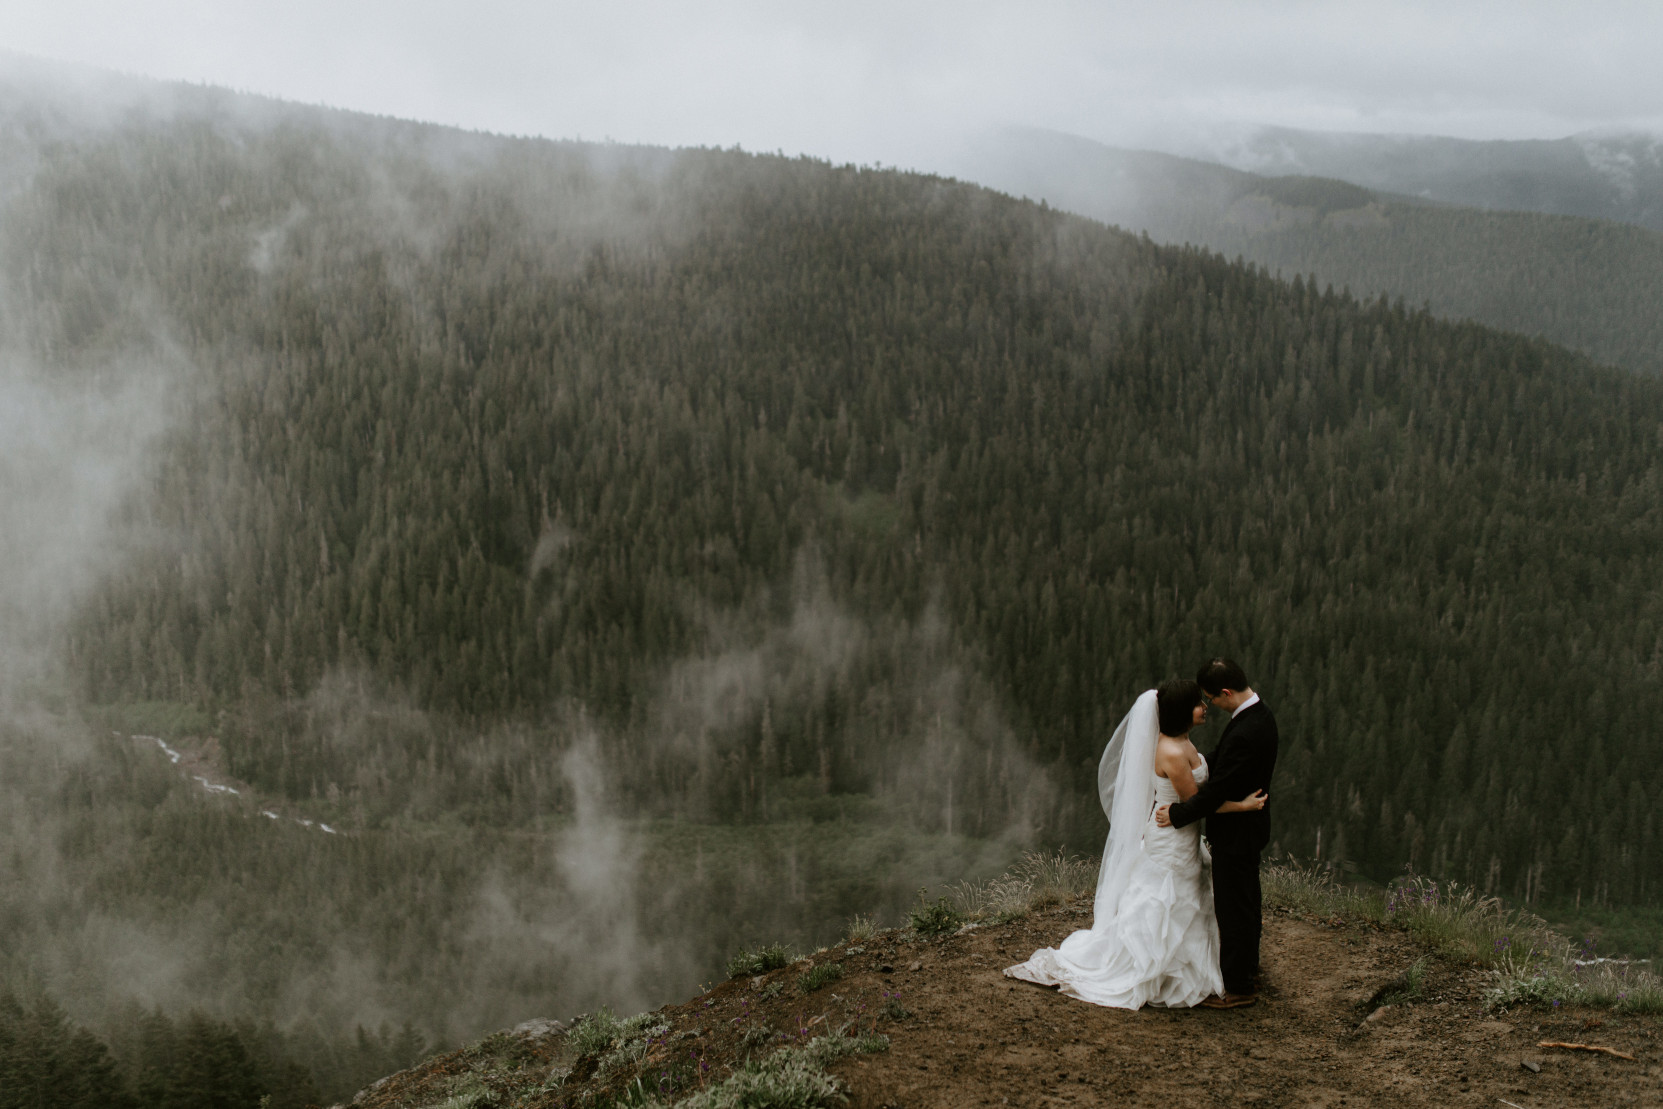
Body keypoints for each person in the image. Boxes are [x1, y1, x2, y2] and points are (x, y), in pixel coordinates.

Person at [1004, 680, 1267, 1009]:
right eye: (1198, 704)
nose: (1204, 708)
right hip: (1172, 840)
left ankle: (1194, 966)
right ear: (1182, 712)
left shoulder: (1181, 741)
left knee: (1187, 899)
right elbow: (1195, 803)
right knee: (1167, 901)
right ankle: (1161, 969)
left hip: (1182, 837)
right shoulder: (1171, 751)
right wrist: (1241, 806)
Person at [1155, 658, 1279, 1009]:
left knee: (1234, 908)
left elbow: (1217, 790)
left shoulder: (1245, 730)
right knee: (1246, 902)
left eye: (1210, 698)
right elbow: (1221, 765)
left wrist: (1178, 814)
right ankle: (1247, 970)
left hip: (1237, 834)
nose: (1208, 706)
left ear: (1226, 693)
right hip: (1248, 829)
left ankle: (1239, 986)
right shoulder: (1259, 716)